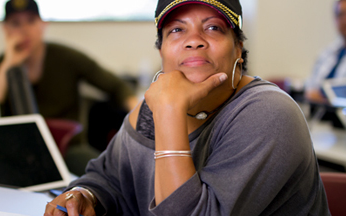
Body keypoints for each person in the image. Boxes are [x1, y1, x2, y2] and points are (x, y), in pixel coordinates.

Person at [44, 0, 330, 215]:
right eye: (177, 30)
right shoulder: (148, 111)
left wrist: (169, 111)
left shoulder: (269, 112)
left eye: (213, 28)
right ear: (161, 51)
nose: (194, 40)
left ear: (238, 50)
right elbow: (108, 177)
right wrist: (85, 194)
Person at [0, 0, 137, 175]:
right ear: (5, 29)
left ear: (43, 25)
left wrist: (142, 119)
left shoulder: (65, 57)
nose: (24, 29)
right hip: (15, 152)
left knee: (106, 176)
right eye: (15, 23)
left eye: (31, 21)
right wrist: (8, 64)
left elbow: (116, 86)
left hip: (67, 149)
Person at [305, 0, 346, 128]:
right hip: (321, 125)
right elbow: (310, 89)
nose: (344, 20)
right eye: (340, 15)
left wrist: (326, 98)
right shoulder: (327, 53)